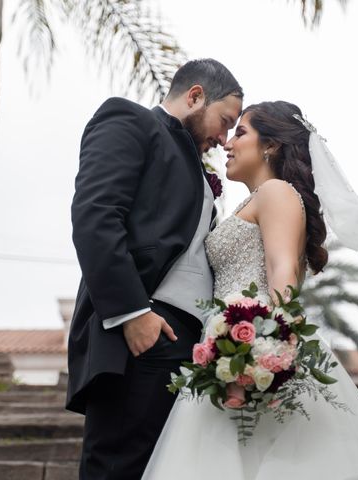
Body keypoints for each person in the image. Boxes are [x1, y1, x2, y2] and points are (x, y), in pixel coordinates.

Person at [141, 101, 358, 479]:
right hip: (230, 345)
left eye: (241, 132)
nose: (228, 143)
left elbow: (283, 267)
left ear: (270, 146)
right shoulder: (260, 198)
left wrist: (268, 344)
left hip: (250, 344)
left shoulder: (275, 191)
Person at [66, 58, 243, 479]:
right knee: (118, 467)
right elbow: (95, 215)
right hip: (143, 333)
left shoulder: (193, 161)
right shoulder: (128, 119)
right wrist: (132, 313)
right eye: (224, 121)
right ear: (195, 95)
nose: (223, 138)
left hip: (188, 346)